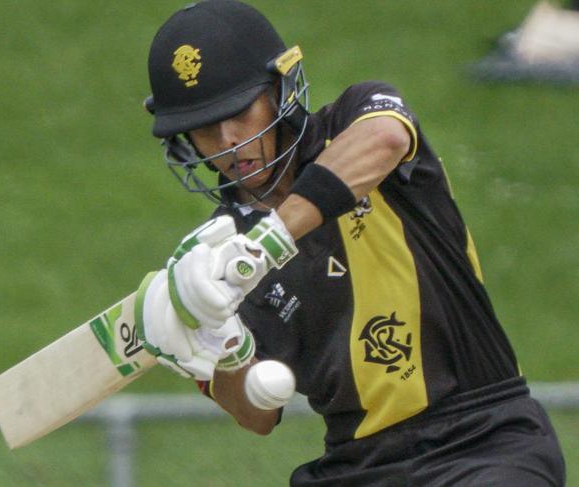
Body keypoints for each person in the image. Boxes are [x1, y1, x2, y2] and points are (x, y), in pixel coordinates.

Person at [138, 1, 566, 485]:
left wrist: (265, 245)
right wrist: (218, 346)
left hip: (483, 440)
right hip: (355, 464)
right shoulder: (219, 251)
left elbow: (385, 138)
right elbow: (256, 417)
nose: (228, 140)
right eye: (203, 127)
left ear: (280, 89)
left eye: (239, 112)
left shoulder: (350, 121)